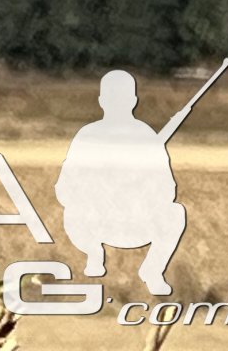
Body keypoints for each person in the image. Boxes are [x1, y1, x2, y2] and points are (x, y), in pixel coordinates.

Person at [56, 69, 191, 295]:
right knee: (73, 212)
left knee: (175, 213)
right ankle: (94, 253)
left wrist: (137, 187)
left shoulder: (147, 138)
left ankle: (153, 270)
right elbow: (65, 190)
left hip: (135, 222)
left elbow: (168, 191)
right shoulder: (87, 136)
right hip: (95, 223)